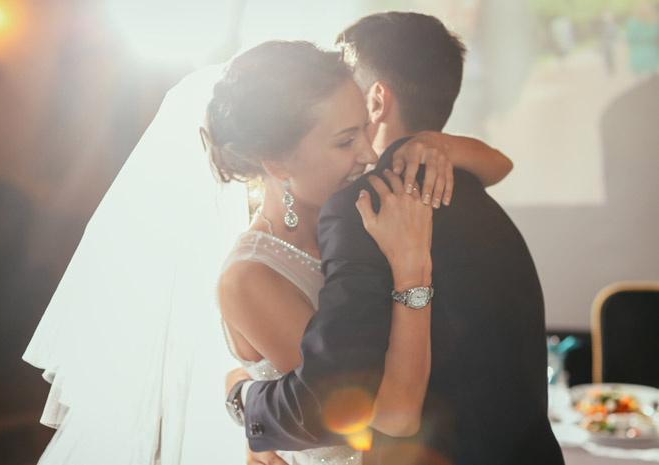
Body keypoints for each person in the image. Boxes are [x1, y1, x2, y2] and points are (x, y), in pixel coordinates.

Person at [233, 12, 565, 465]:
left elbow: (345, 402)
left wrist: (241, 396)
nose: (364, 152)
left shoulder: (362, 209)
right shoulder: (479, 199)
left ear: (376, 101)